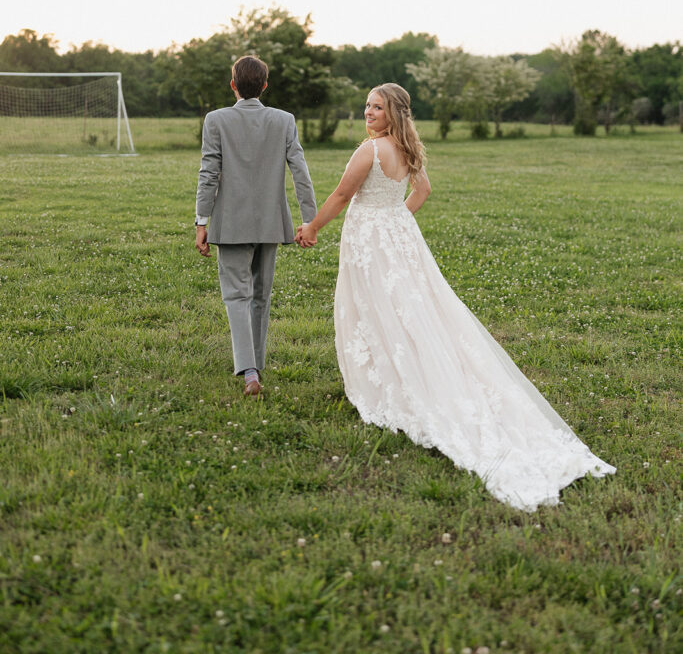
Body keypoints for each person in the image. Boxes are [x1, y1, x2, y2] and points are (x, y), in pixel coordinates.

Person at [297, 83, 615, 511]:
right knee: (411, 308)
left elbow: (340, 196)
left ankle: (391, 382)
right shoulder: (408, 150)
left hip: (372, 241)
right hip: (395, 238)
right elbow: (421, 193)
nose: (368, 112)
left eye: (376, 107)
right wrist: (393, 222)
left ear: (393, 112)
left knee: (375, 307)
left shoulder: (368, 152)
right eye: (367, 106)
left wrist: (313, 227)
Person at [196, 55, 317, 397]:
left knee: (237, 295)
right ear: (265, 85)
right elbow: (300, 172)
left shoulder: (215, 120)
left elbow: (208, 173)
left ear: (233, 84)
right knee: (260, 296)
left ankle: (250, 372)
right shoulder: (284, 120)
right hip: (270, 222)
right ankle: (255, 366)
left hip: (229, 223)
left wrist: (200, 222)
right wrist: (309, 219)